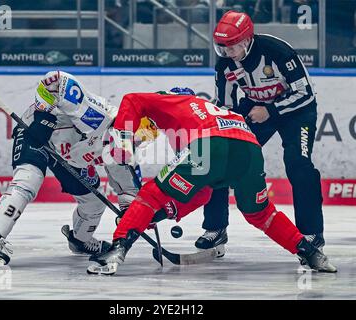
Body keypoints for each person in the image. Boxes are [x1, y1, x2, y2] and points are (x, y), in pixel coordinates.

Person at [86, 88, 337, 275]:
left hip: (212, 144)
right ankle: (310, 253)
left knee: (151, 194)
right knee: (261, 213)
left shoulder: (172, 101)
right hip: (250, 149)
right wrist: (161, 213)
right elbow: (203, 192)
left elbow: (132, 99)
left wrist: (123, 138)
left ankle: (116, 250)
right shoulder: (210, 113)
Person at [0, 71, 139, 269]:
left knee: (94, 202)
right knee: (27, 180)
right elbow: (55, 79)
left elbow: (129, 194)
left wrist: (131, 214)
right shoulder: (101, 113)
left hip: (67, 155)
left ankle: (80, 240)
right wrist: (44, 114)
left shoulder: (124, 151)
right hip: (35, 132)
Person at [196, 11, 326, 257]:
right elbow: (225, 105)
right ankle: (215, 228)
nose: (226, 53)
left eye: (231, 48)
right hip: (255, 108)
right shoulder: (225, 62)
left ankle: (311, 233)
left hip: (296, 112)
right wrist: (221, 129)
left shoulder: (278, 52)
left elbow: (305, 94)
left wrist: (271, 110)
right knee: (221, 160)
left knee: (299, 165)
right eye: (221, 48)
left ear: (246, 41)